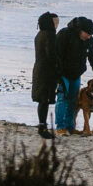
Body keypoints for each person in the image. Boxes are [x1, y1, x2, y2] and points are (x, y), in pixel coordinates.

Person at [50, 13, 92, 136]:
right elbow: (56, 55)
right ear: (81, 30)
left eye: (90, 35)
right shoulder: (64, 34)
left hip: (76, 74)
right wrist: (57, 74)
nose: (89, 37)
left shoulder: (88, 39)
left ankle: (70, 126)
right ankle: (60, 127)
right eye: (88, 34)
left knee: (73, 100)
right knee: (62, 98)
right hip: (63, 73)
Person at [30, 11, 60, 139]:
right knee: (44, 100)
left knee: (43, 100)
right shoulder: (50, 35)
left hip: (39, 68)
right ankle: (42, 127)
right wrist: (58, 69)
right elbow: (51, 55)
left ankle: (42, 125)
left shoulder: (39, 34)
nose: (57, 24)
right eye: (56, 22)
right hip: (47, 71)